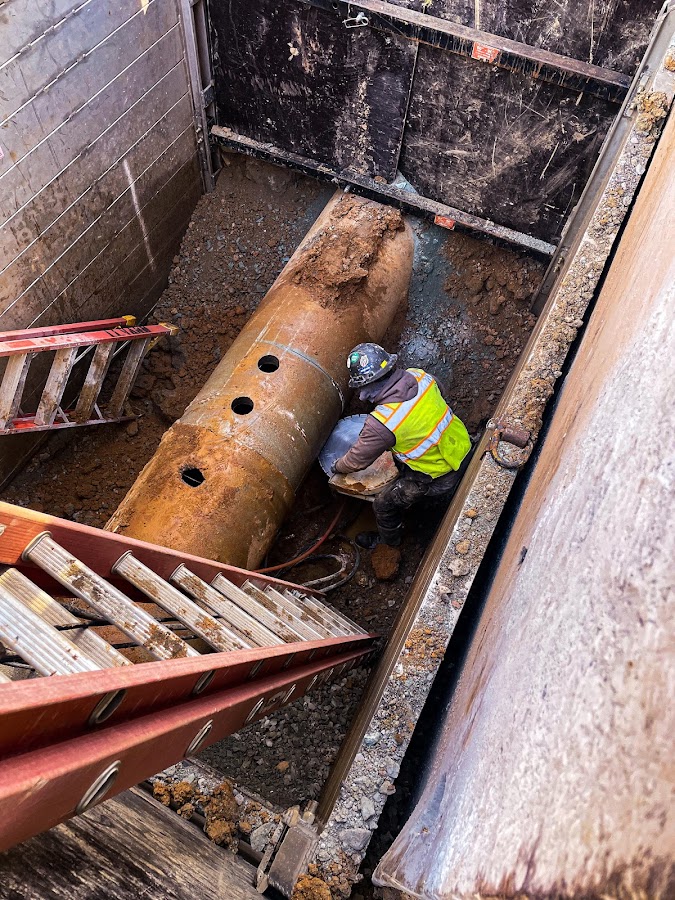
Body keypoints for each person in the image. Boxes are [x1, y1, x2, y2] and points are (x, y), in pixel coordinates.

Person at [332, 343, 473, 549]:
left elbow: (356, 460)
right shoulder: (419, 376)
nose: (362, 394)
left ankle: (389, 544)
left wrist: (337, 467)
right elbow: (441, 393)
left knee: (383, 505)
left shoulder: (383, 423)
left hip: (440, 475)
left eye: (362, 388)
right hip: (463, 445)